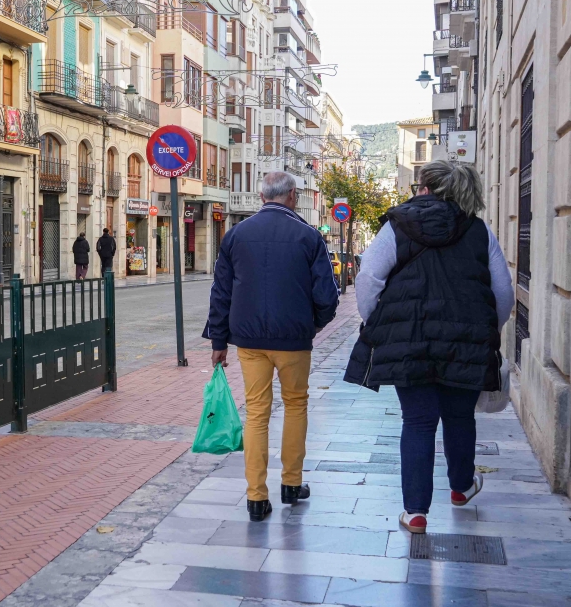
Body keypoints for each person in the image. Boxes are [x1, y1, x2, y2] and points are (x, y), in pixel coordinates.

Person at [346, 160, 514, 535]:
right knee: (459, 416)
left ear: (424, 188)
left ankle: (416, 512)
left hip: (410, 341)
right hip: (465, 340)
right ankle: (461, 487)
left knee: (418, 421)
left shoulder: (398, 225)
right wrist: (489, 329)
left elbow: (369, 276)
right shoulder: (478, 230)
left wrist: (380, 323)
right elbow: (503, 292)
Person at [204, 171, 340, 522]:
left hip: (249, 342)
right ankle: (291, 484)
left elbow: (221, 293)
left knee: (257, 411)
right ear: (292, 196)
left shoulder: (235, 235)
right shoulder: (310, 236)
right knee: (295, 405)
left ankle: (256, 497)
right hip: (294, 341)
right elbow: (327, 296)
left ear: (261, 198)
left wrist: (219, 340)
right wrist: (312, 325)